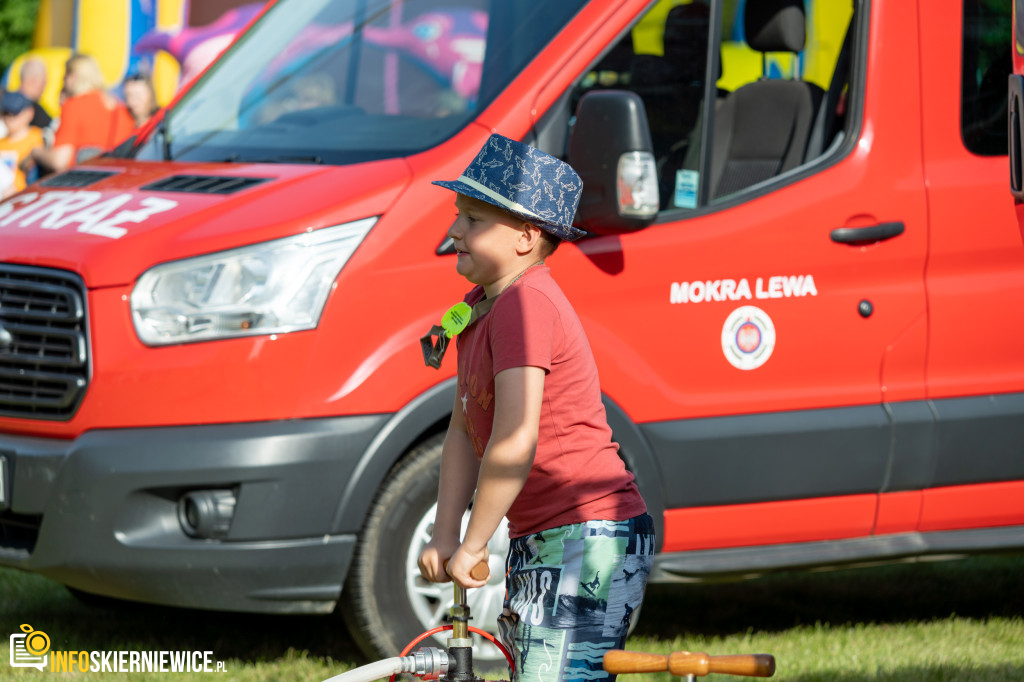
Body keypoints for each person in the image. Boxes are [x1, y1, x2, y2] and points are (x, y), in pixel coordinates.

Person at [417, 133, 655, 682]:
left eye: (473, 219)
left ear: (526, 236)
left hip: (588, 531)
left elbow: (516, 438)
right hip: (543, 532)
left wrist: (474, 542)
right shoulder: (478, 309)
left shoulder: (526, 305)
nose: (453, 232)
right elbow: (462, 431)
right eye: (458, 214)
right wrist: (445, 532)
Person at [31, 53, 135, 173]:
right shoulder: (120, 107)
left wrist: (35, 152)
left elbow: (59, 161)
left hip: (80, 181)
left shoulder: (73, 106)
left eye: (64, 77)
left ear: (73, 77)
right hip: (115, 181)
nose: (63, 83)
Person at [0, 92, 45, 198]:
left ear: (29, 113)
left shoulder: (37, 136)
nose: (10, 117)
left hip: (28, 196)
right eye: (6, 113)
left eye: (15, 113)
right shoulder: (1, 143)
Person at [17, 58, 54, 131]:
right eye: (44, 82)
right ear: (33, 80)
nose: (45, 87)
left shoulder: (5, 100)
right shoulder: (36, 111)